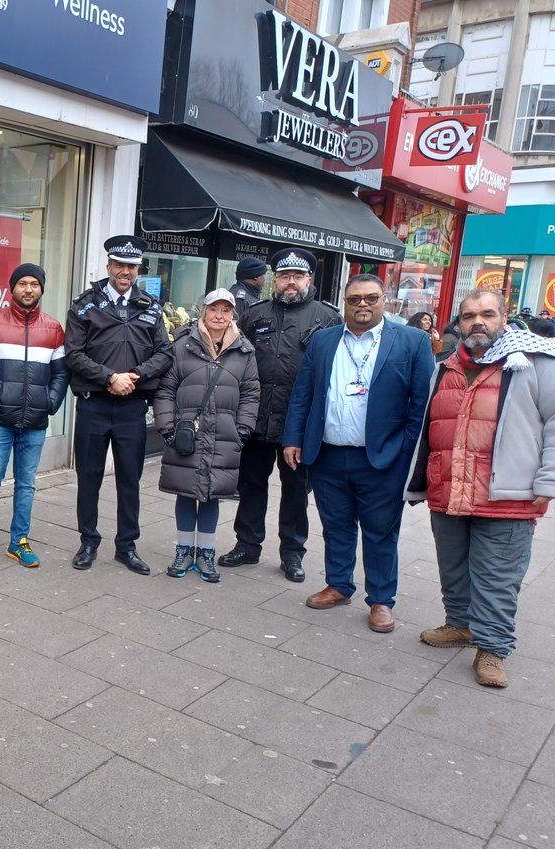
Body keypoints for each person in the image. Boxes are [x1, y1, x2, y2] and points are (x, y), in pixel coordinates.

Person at [406, 289, 555, 688]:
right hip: (450, 487)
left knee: (497, 576)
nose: (477, 322)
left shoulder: (535, 362)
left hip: (507, 493)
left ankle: (493, 648)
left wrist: (548, 480)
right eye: (469, 315)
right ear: (458, 322)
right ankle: (460, 624)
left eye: (487, 314)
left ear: (504, 319)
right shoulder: (447, 366)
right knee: (453, 567)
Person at [282, 274, 434, 633]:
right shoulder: (323, 341)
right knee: (335, 526)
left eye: (370, 298)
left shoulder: (412, 342)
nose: (362, 305)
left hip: (382, 458)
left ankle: (381, 600)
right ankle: (339, 585)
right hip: (329, 455)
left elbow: (422, 405)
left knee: (381, 532)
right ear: (344, 303)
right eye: (354, 299)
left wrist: (405, 450)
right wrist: (293, 438)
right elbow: (303, 393)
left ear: (385, 300)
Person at [219, 247, 341, 583]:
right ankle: (247, 544)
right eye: (284, 276)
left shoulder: (327, 318)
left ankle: (292, 553)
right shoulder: (254, 314)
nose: (290, 283)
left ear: (308, 280)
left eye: (297, 277)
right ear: (275, 279)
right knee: (251, 484)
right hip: (256, 418)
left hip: (297, 425)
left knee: (295, 491)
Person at [64, 235, 173, 575]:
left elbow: (165, 353)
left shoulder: (151, 307)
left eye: (132, 266)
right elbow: (73, 354)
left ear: (138, 270)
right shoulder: (84, 305)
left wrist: (136, 376)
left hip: (132, 408)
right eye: (119, 265)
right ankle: (88, 541)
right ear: (108, 266)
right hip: (93, 404)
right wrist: (110, 377)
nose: (125, 272)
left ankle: (126, 546)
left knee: (129, 478)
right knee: (89, 477)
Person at [0, 263, 68, 568]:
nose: (28, 289)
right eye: (22, 283)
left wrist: (49, 402)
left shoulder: (53, 328)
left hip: (34, 423)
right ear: (12, 288)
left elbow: (61, 374)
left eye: (34, 284)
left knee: (26, 484)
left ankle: (18, 542)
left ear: (41, 289)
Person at [152, 288, 259, 582]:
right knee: (186, 493)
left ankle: (207, 554)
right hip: (187, 434)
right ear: (204, 311)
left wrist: (242, 430)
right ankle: (184, 551)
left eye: (226, 310)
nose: (219, 316)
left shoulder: (244, 350)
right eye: (214, 309)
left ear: (232, 315)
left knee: (212, 494)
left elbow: (251, 394)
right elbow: (165, 390)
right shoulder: (183, 346)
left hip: (224, 436)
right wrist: (167, 428)